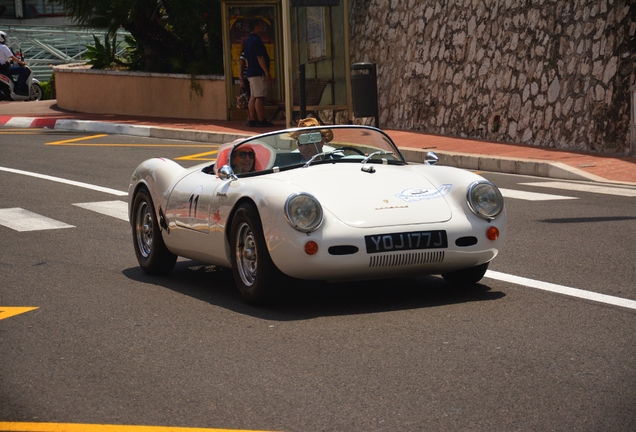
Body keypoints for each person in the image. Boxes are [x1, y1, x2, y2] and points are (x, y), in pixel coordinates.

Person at [244, 20, 273, 127]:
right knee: (260, 96)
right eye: (260, 25)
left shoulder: (247, 40)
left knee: (253, 96)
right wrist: (266, 71)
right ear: (256, 27)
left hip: (251, 71)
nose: (262, 27)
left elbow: (246, 59)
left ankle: (252, 118)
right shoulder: (256, 41)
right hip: (257, 72)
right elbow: (260, 57)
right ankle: (260, 119)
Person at [0, 31, 28, 95]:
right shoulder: (3, 47)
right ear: (1, 38)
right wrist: (21, 62)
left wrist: (8, 61)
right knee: (23, 70)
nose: (5, 39)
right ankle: (18, 88)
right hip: (5, 69)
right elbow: (12, 57)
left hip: (1, 69)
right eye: (4, 37)